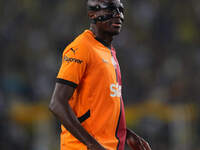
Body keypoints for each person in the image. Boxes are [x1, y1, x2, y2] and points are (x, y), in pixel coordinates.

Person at [49, 0, 152, 150]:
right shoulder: (81, 47)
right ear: (92, 13)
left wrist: (126, 133)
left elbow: (102, 108)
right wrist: (92, 144)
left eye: (121, 10)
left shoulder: (109, 52)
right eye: (110, 9)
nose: (118, 15)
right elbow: (57, 103)